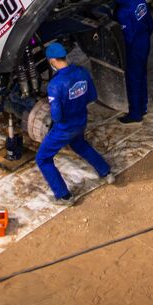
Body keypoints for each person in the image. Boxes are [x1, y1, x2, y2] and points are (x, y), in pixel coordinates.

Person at [36, 42, 112, 201]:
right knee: (79, 144)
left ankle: (64, 196)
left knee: (42, 158)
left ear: (52, 61)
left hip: (64, 128)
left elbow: (56, 116)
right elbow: (92, 97)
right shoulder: (82, 72)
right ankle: (106, 172)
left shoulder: (55, 85)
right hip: (81, 121)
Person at [113, 0, 153, 123]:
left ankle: (135, 114)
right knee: (142, 75)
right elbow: (150, 23)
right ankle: (142, 106)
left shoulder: (123, 12)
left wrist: (122, 53)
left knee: (133, 80)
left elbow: (127, 37)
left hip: (134, 48)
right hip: (144, 42)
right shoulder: (140, 0)